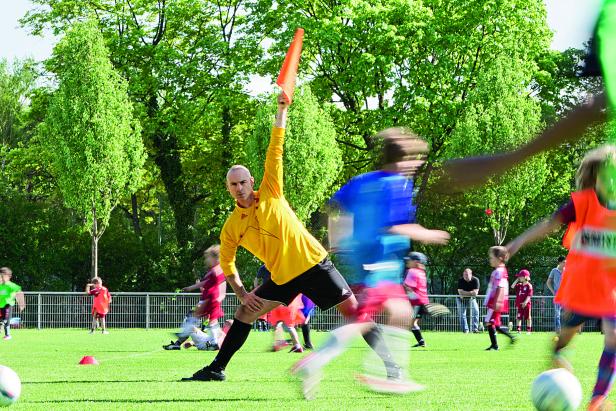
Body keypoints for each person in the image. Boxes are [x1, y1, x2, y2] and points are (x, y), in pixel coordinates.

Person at [182, 92, 388, 383]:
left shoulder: (271, 191)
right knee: (243, 312)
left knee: (355, 313)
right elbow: (227, 262)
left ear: (252, 182)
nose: (239, 187)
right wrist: (242, 291)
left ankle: (393, 367)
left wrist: (282, 110)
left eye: (243, 182)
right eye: (233, 184)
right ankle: (216, 368)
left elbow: (275, 148)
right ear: (228, 188)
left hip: (313, 263)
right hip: (282, 277)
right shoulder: (231, 226)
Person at [291, 128, 449, 398]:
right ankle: (389, 375)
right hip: (381, 264)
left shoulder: (362, 181)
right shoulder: (397, 185)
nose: (415, 167)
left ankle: (318, 362)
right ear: (402, 159)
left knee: (373, 318)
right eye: (414, 161)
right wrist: (426, 234)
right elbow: (396, 227)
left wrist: (337, 240)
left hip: (360, 261)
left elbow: (333, 207)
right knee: (388, 316)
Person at [506, 145, 616, 410]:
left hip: (610, 289)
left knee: (614, 337)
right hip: (581, 286)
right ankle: (558, 359)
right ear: (596, 176)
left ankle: (597, 399)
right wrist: (514, 244)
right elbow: (548, 225)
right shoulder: (582, 203)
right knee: (563, 341)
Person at [164, 245, 226, 350]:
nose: (206, 260)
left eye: (208, 257)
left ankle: (184, 333)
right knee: (213, 320)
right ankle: (214, 342)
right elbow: (212, 283)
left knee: (193, 315)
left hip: (209, 297)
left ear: (215, 258)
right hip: (214, 297)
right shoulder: (218, 269)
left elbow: (212, 283)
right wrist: (192, 287)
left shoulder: (215, 270)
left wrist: (192, 287)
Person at [483, 246, 516, 351]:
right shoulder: (499, 270)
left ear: (499, 258)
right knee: (494, 323)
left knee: (489, 322)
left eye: (492, 257)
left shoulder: (499, 271)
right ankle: (509, 338)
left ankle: (495, 345)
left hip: (495, 301)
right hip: (494, 300)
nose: (490, 260)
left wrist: (497, 301)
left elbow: (501, 287)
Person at [403, 252, 430, 348]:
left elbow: (409, 286)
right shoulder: (421, 272)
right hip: (422, 301)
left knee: (410, 322)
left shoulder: (412, 271)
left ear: (415, 261)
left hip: (416, 302)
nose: (407, 261)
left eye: (409, 260)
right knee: (412, 323)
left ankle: (421, 342)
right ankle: (421, 342)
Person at [0, 267, 25, 341]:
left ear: (8, 277)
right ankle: (7, 334)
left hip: (8, 305)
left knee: (5, 320)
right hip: (1, 305)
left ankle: (7, 334)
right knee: (4, 321)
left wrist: (21, 303)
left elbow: (19, 291)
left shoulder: (10, 285)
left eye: (3, 276)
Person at [456, 268, 480, 333]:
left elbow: (475, 293)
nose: (465, 276)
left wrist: (465, 293)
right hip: (460, 299)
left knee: (476, 311)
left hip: (471, 299)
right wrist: (471, 293)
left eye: (467, 275)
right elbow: (460, 293)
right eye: (464, 275)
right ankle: (465, 330)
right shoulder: (460, 280)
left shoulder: (475, 280)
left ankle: (475, 329)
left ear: (471, 274)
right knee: (462, 314)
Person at [546, 256, 566, 332]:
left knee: (566, 313)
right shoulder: (554, 270)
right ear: (560, 262)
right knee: (557, 313)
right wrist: (553, 292)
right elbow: (548, 282)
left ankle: (565, 330)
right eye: (564, 262)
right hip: (557, 295)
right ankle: (558, 330)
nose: (565, 263)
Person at [510, 269, 533, 334]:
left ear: (525, 277)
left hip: (526, 304)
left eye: (520, 276)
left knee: (528, 317)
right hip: (519, 304)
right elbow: (512, 286)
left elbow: (529, 295)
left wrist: (525, 302)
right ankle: (518, 330)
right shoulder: (519, 285)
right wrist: (517, 280)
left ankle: (528, 331)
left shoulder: (529, 285)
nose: (519, 277)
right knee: (518, 317)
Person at [252, 265, 271, 332]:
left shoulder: (264, 267)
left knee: (265, 308)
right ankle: (262, 326)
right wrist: (257, 289)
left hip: (272, 290)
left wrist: (256, 289)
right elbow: (256, 279)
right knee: (263, 307)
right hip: (267, 290)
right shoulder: (263, 267)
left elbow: (256, 279)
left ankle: (264, 326)